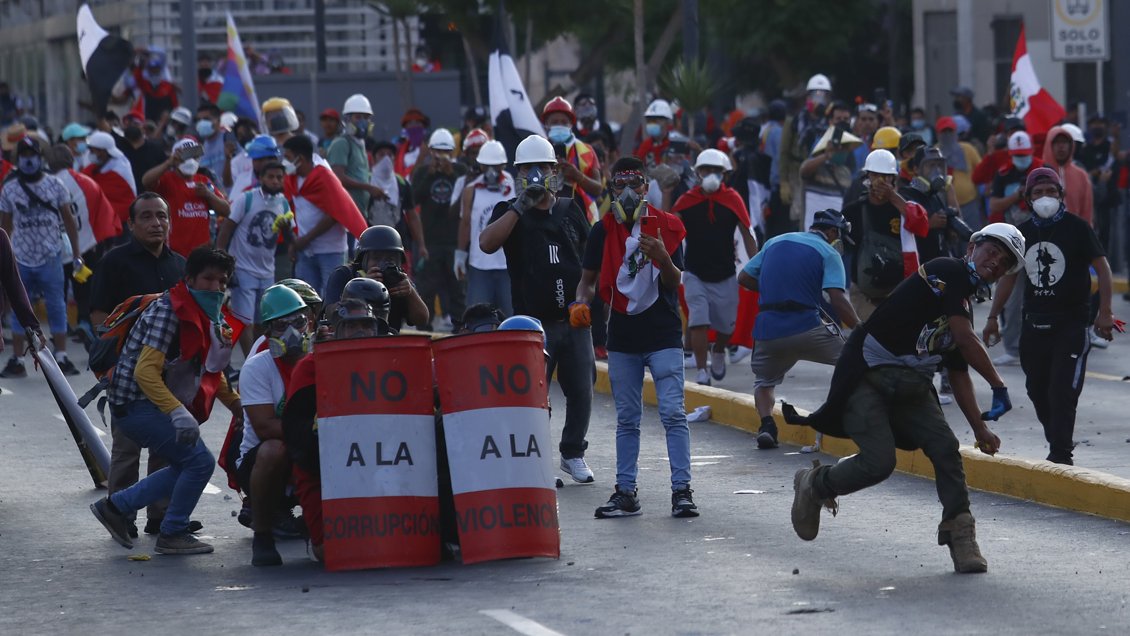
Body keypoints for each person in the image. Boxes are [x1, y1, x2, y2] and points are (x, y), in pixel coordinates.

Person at [788, 222, 1027, 574]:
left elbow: (958, 373)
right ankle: (815, 484)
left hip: (912, 386)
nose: (995, 262)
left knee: (945, 448)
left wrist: (980, 429)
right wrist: (998, 385)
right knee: (879, 462)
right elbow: (965, 339)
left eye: (1004, 262)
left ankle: (961, 534)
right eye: (992, 251)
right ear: (972, 248)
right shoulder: (948, 271)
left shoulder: (961, 304)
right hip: (868, 376)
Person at [90, 246, 242, 555]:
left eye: (222, 281)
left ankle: (115, 508)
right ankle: (172, 532)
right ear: (190, 279)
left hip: (152, 402)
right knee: (199, 462)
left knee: (185, 463)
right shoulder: (169, 310)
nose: (215, 287)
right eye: (208, 279)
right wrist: (176, 412)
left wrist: (239, 407)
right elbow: (145, 371)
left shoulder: (208, 313)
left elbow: (211, 370)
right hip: (133, 403)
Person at [574, 156, 696, 518]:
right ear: (611, 189)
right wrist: (580, 302)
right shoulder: (602, 231)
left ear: (646, 188)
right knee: (627, 419)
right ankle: (625, 492)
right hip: (623, 336)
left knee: (673, 414)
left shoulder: (667, 226)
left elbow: (675, 282)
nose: (628, 192)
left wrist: (663, 257)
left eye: (635, 184)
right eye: (620, 185)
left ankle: (682, 491)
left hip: (663, 334)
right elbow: (587, 280)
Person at [480, 134, 595, 485]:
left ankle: (572, 453)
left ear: (554, 171)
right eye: (527, 168)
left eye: (541, 167)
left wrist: (586, 296)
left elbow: (590, 257)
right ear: (518, 173)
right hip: (532, 324)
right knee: (533, 395)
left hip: (573, 319)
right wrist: (520, 207)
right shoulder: (509, 212)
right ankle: (537, 459)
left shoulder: (569, 208)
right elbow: (486, 244)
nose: (534, 174)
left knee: (582, 388)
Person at [981, 168, 1113, 465]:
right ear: (1028, 198)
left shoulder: (1078, 228)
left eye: (1051, 191)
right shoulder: (1022, 233)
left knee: (1062, 391)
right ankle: (1058, 439)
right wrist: (992, 317)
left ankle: (1060, 454)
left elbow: (1103, 269)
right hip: (1034, 324)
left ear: (1061, 195)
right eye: (1038, 192)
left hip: (1071, 323)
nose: (1045, 198)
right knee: (1037, 389)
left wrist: (1105, 312)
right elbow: (1009, 277)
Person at [89, 193, 187, 536]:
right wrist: (114, 365)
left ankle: (160, 516)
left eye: (161, 216)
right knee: (127, 450)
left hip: (169, 373)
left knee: (166, 447)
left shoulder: (181, 266)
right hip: (127, 374)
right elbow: (99, 317)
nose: (155, 223)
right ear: (131, 224)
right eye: (146, 216)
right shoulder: (114, 262)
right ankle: (121, 514)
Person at [739, 209, 859, 449]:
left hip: (768, 331)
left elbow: (744, 278)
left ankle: (767, 426)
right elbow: (838, 300)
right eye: (839, 236)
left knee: (764, 382)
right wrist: (861, 329)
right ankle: (845, 415)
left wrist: (774, 289)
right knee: (855, 362)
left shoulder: (774, 241)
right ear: (832, 231)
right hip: (808, 328)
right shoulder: (828, 252)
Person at [282, 298, 385, 563]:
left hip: (382, 463)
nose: (361, 333)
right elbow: (297, 435)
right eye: (352, 327)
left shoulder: (388, 362)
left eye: (366, 326)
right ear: (335, 330)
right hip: (322, 468)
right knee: (332, 551)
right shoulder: (310, 366)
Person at [235, 285, 311, 566]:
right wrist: (316, 430)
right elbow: (265, 427)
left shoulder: (323, 359)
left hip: (311, 447)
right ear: (267, 333)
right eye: (281, 325)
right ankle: (263, 535)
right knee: (273, 449)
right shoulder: (257, 368)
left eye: (298, 322)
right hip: (267, 462)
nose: (292, 332)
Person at [671, 148, 758, 386]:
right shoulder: (687, 200)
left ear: (725, 174)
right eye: (706, 170)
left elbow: (746, 232)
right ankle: (702, 370)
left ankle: (719, 350)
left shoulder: (732, 199)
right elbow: (670, 226)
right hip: (694, 272)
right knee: (698, 320)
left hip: (725, 273)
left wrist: (758, 265)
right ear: (698, 173)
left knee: (726, 326)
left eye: (716, 171)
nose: (711, 174)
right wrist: (668, 193)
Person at [0, 136, 83, 377]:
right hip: (21, 257)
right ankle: (18, 359)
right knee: (19, 308)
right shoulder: (9, 189)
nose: (28, 160)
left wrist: (77, 254)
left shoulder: (55, 185)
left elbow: (69, 220)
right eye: (24, 155)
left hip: (51, 255)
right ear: (18, 158)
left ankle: (61, 355)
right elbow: (5, 227)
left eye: (32, 155)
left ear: (40, 157)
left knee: (57, 306)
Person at [841, 149, 929, 320]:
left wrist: (893, 197)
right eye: (875, 175)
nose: (880, 180)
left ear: (893, 178)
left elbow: (922, 225)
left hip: (899, 292)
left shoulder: (903, 208)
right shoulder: (853, 210)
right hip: (864, 294)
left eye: (885, 176)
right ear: (867, 177)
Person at [218, 161, 292, 354]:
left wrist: (286, 230)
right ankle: (249, 361)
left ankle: (258, 357)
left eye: (279, 177)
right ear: (261, 178)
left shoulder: (283, 203)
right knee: (245, 320)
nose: (275, 181)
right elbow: (226, 228)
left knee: (263, 320)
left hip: (267, 272)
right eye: (271, 177)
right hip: (243, 269)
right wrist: (222, 261)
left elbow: (289, 238)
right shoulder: (247, 199)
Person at [281, 134, 367, 294]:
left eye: (288, 157)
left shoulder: (325, 177)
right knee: (307, 300)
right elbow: (291, 211)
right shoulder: (291, 180)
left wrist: (306, 239)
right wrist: (293, 243)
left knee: (333, 297)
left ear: (300, 158)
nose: (284, 162)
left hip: (331, 251)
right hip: (305, 252)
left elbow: (335, 214)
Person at [987, 130, 1043, 366]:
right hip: (1012, 243)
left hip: (1040, 241)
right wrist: (1016, 196)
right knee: (1011, 298)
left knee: (1042, 296)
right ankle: (1012, 348)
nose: (1022, 159)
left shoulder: (1042, 171)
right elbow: (994, 204)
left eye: (1025, 154)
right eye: (1018, 155)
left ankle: (1041, 344)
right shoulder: (1003, 174)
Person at [321, 225, 430, 331]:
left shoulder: (399, 281)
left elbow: (422, 319)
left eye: (390, 259)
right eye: (376, 258)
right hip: (350, 339)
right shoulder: (344, 275)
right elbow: (330, 314)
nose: (382, 264)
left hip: (386, 340)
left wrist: (410, 293)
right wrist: (359, 290)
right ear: (363, 260)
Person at [412, 128, 467, 330]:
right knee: (427, 289)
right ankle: (424, 330)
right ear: (431, 151)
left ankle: (460, 330)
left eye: (445, 152)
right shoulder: (422, 172)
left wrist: (451, 175)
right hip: (431, 242)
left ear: (452, 152)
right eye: (437, 151)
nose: (441, 156)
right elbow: (414, 198)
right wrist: (430, 175)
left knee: (457, 290)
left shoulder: (460, 171)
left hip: (454, 241)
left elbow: (465, 199)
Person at [141, 138, 229, 258]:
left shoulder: (204, 181)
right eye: (186, 156)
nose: (191, 161)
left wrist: (208, 195)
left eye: (195, 156)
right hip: (174, 253)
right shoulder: (167, 179)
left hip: (201, 254)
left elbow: (226, 211)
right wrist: (168, 163)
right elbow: (146, 181)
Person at [456, 140, 514, 316]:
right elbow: (465, 223)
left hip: (507, 264)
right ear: (480, 165)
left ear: (503, 165)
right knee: (476, 317)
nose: (491, 171)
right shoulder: (471, 190)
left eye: (495, 166)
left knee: (511, 316)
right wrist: (460, 256)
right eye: (487, 166)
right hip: (479, 265)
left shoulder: (512, 186)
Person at [542, 97, 603, 223]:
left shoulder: (586, 150)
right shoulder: (538, 150)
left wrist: (577, 176)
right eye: (554, 122)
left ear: (571, 124)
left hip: (582, 218)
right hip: (546, 218)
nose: (560, 125)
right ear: (546, 124)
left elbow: (598, 189)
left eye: (564, 122)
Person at [328, 95, 381, 217]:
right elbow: (337, 178)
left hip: (360, 212)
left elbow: (359, 174)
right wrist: (368, 188)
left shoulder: (360, 144)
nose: (363, 121)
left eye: (366, 117)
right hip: (346, 213)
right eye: (358, 117)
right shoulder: (342, 143)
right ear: (347, 119)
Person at [1039, 125, 1093, 227]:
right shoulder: (1040, 174)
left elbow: (1086, 210)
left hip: (1075, 232)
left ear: (1071, 145)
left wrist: (1087, 232)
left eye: (1064, 142)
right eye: (1056, 142)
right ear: (1049, 145)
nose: (1061, 146)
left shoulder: (1081, 175)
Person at [84, 131, 138, 225]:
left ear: (103, 151)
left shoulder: (119, 171)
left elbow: (97, 192)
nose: (90, 154)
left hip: (121, 221)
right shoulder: (100, 163)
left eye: (93, 151)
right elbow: (84, 177)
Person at [634, 99, 675, 169]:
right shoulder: (645, 145)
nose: (652, 124)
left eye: (656, 120)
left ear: (668, 122)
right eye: (649, 120)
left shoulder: (675, 143)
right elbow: (636, 168)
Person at [395, 108, 430, 179]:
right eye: (410, 123)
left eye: (417, 122)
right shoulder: (399, 150)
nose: (414, 126)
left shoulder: (430, 147)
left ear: (423, 126)